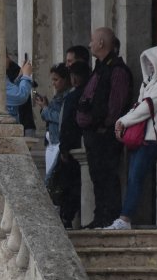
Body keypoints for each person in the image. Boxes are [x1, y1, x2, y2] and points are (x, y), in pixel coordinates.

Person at [104, 46, 157, 230]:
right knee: (133, 176)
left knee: (136, 175)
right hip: (143, 136)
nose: (150, 66)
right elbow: (138, 105)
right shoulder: (148, 82)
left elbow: (147, 107)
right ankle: (124, 218)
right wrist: (124, 120)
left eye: (152, 62)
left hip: (154, 136)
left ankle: (125, 218)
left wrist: (123, 121)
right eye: (147, 63)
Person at [74, 27, 135, 229]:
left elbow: (115, 106)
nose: (90, 44)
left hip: (105, 136)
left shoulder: (117, 70)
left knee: (108, 176)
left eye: (92, 40)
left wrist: (102, 126)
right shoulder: (99, 68)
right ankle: (100, 216)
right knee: (97, 178)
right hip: (93, 136)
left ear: (101, 43)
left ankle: (109, 216)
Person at [53, 60, 91, 228]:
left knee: (68, 185)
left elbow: (67, 123)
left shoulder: (74, 96)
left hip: (72, 147)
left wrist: (64, 148)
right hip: (81, 144)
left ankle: (67, 216)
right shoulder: (86, 93)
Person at [35, 63, 72, 176]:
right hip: (51, 142)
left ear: (65, 80)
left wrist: (46, 109)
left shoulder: (68, 96)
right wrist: (45, 106)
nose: (53, 83)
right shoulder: (58, 95)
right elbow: (47, 116)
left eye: (56, 79)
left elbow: (60, 118)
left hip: (58, 143)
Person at [5, 55, 35, 134]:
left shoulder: (3, 77)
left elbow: (12, 91)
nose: (9, 59)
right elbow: (21, 96)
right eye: (7, 56)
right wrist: (26, 76)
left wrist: (20, 76)